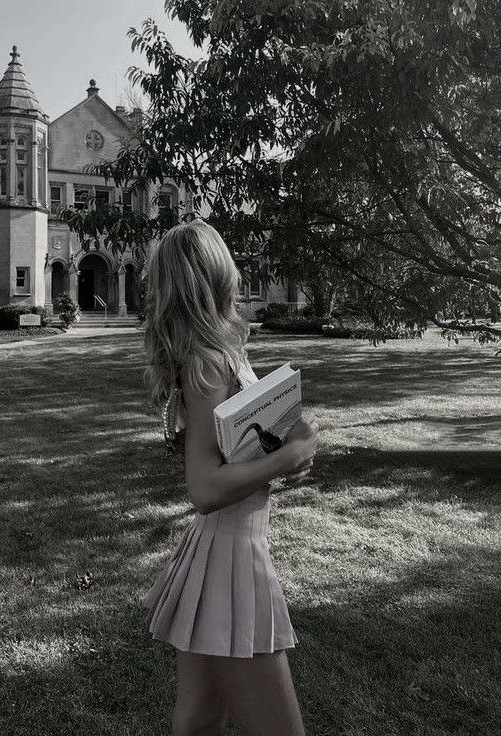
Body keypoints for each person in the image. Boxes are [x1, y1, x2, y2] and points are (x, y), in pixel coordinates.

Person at [139, 219, 319, 736]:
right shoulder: (209, 362)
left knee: (197, 722)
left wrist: (284, 451)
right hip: (231, 557)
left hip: (223, 550)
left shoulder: (220, 353)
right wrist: (288, 458)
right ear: (217, 275)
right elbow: (204, 488)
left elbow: (234, 458)